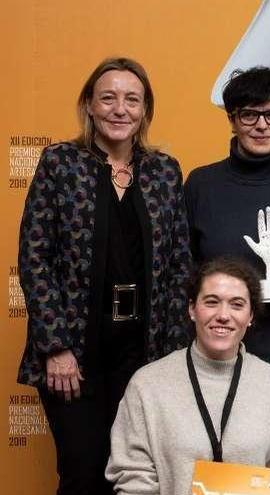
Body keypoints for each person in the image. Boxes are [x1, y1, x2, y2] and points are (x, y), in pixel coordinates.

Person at [16, 57, 191, 495]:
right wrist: (55, 347)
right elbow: (36, 257)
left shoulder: (164, 172)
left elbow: (179, 267)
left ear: (144, 110)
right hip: (75, 355)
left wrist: (170, 361)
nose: (120, 109)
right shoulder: (60, 163)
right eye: (108, 98)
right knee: (83, 473)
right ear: (89, 106)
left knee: (139, 478)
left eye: (132, 100)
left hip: (144, 355)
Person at [185, 66, 270, 449]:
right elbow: (183, 266)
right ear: (232, 120)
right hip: (216, 353)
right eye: (249, 114)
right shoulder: (200, 184)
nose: (262, 125)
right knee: (218, 469)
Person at [106, 257, 270, 495]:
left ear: (251, 316)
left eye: (237, 304)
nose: (223, 315)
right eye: (212, 302)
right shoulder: (147, 385)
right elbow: (133, 478)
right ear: (192, 309)